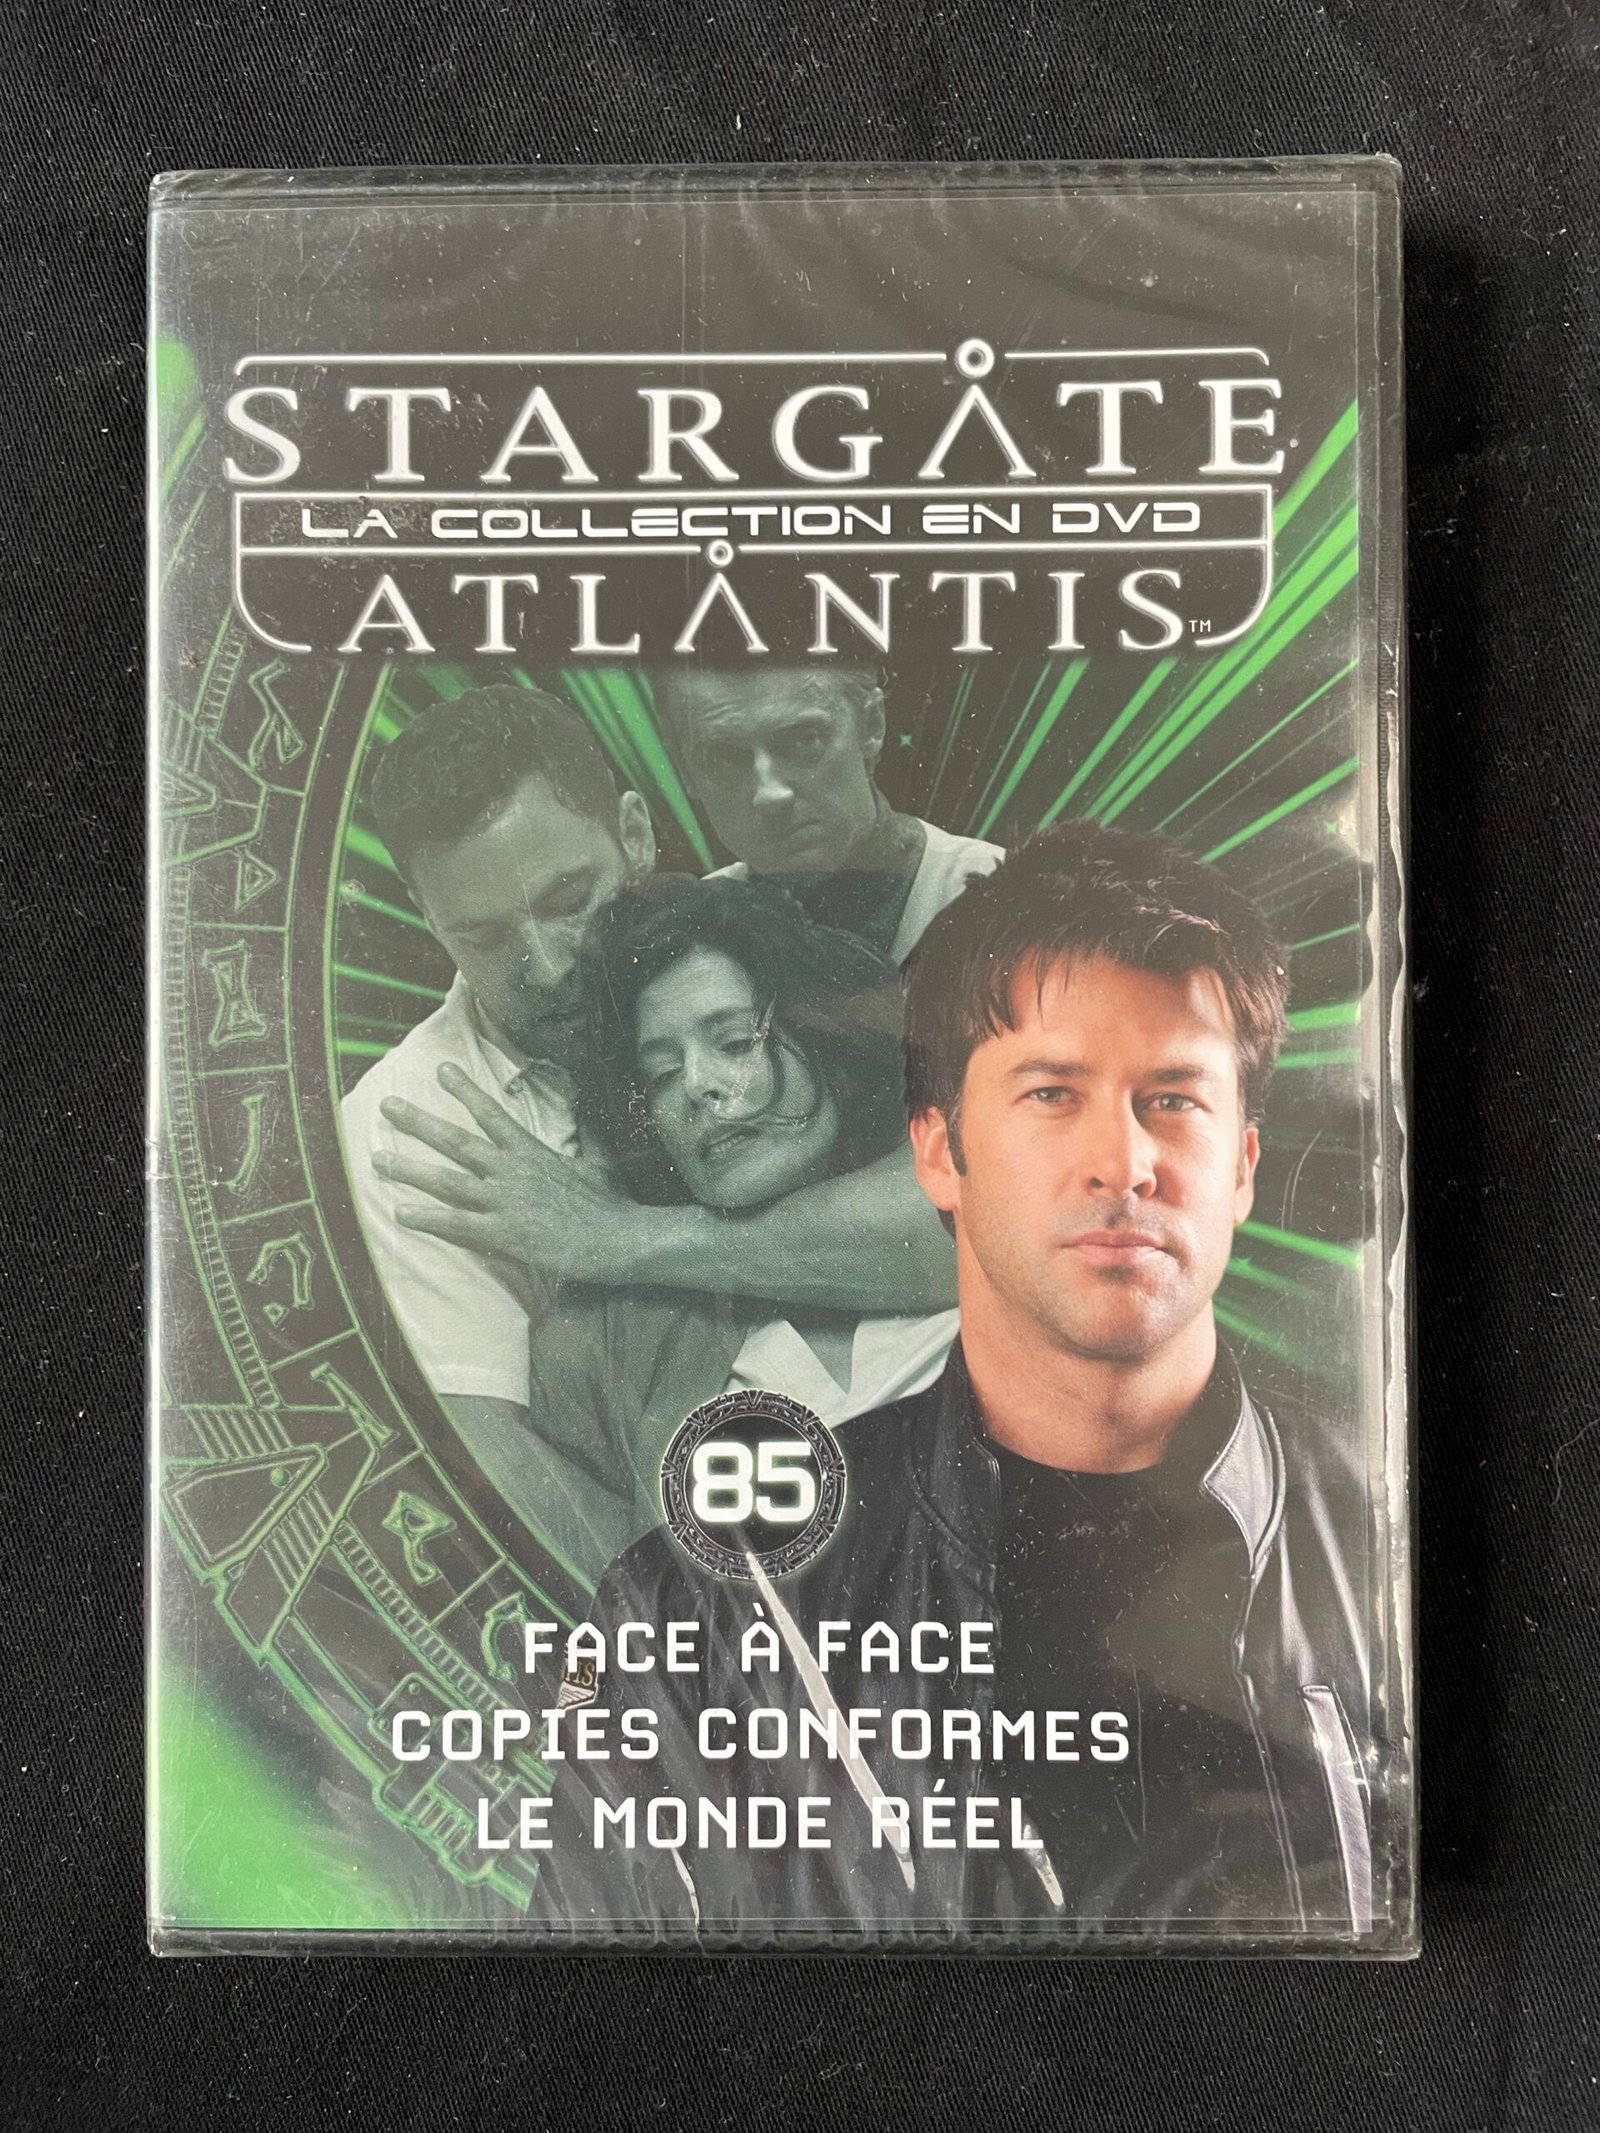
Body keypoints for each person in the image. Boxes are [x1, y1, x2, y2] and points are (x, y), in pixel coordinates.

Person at [530, 820, 1374, 1942]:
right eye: (1053, 1095)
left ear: (1246, 1167)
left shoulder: (1378, 1547)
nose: (1121, 1162)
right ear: (941, 1148)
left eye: (1172, 1097)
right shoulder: (678, 1591)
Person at [342, 684, 956, 1513]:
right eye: (484, 936)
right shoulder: (410, 1130)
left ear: (634, 835)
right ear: (427, 914)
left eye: (569, 901)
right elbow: (496, 1477)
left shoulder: (732, 935)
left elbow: (977, 1220)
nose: (549, 966)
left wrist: (617, 1237)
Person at [490, 876, 957, 1580]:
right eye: (661, 1074)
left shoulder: (973, 1191)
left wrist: (625, 1236)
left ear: (825, 1040)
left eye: (736, 1042)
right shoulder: (621, 1343)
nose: (698, 1086)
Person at [651, 666, 1003, 967]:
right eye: (723, 757)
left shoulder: (1001, 901)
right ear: (684, 771)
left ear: (872, 725)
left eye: (804, 741)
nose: (771, 794)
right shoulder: (688, 935)